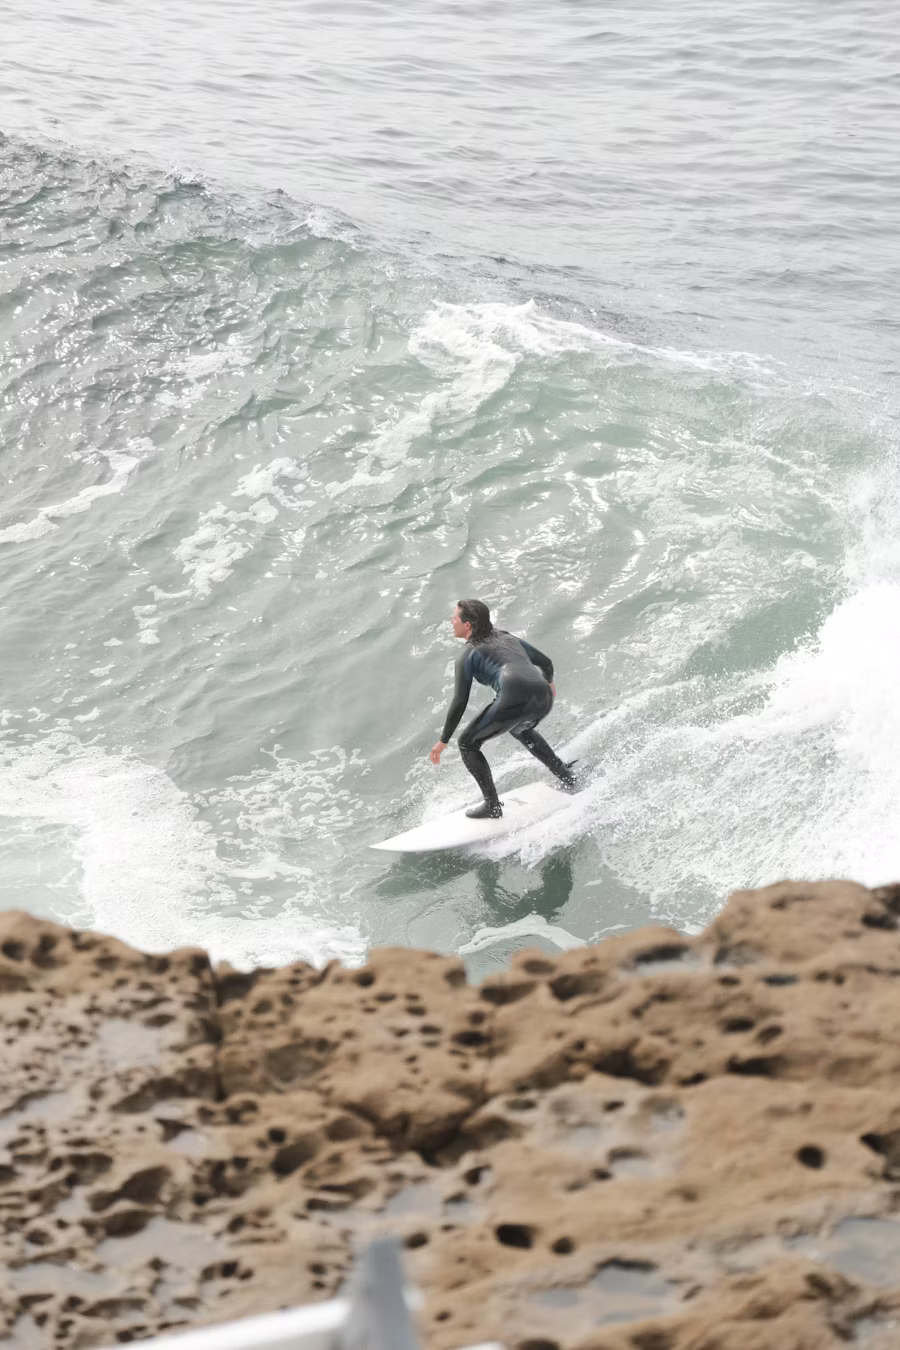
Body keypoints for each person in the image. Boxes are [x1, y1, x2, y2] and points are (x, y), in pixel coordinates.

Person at [429, 599, 576, 819]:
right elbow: (545, 662)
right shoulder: (506, 637)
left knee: (467, 743)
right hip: (543, 696)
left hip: (514, 694)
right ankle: (565, 775)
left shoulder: (467, 654)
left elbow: (460, 700)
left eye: (455, 618)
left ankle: (492, 805)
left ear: (467, 625)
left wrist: (443, 741)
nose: (451, 621)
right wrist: (549, 683)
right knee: (521, 730)